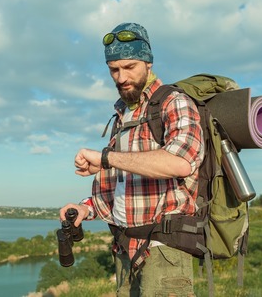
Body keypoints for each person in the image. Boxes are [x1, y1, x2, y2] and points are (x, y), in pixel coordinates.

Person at [60, 22, 204, 296]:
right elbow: (124, 187)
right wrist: (85, 210)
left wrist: (106, 158)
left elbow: (180, 162)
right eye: (114, 69)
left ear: (148, 63)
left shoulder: (174, 102)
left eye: (130, 67)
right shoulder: (123, 114)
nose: (121, 77)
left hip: (164, 253)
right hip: (125, 250)